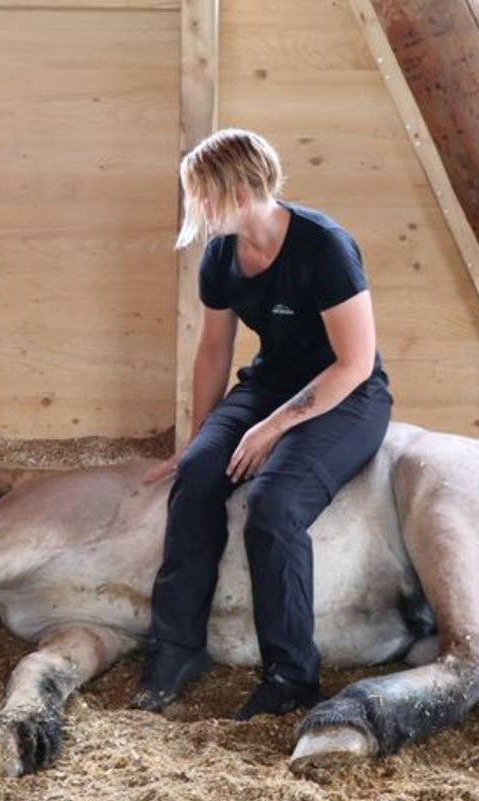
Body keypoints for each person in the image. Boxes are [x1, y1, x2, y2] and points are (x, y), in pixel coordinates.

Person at [131, 128, 393, 720]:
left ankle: (291, 676)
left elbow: (353, 363)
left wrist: (270, 428)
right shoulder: (220, 254)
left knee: (274, 506)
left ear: (244, 189)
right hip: (271, 383)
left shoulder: (324, 247)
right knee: (197, 475)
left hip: (347, 395)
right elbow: (213, 351)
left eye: (205, 195)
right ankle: (176, 646)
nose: (196, 208)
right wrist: (202, 435)